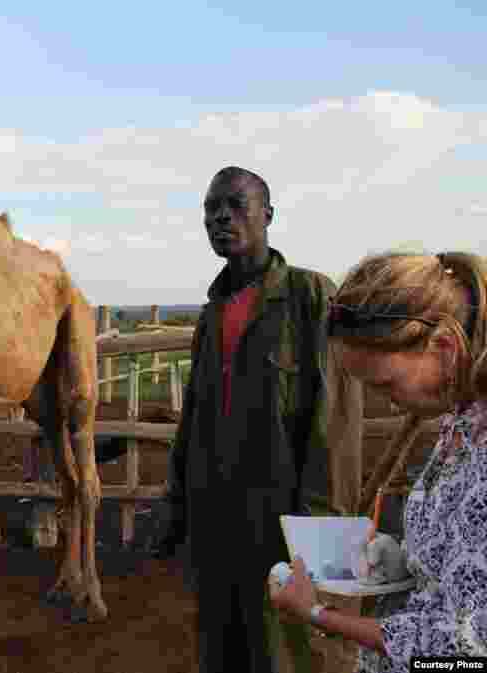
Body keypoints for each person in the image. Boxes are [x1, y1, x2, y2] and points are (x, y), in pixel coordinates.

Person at [150, 166, 365, 673]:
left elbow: (336, 426)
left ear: (267, 215)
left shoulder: (310, 297)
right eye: (210, 209)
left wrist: (319, 538)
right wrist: (176, 507)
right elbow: (195, 422)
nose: (220, 218)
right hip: (216, 525)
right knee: (224, 652)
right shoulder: (213, 314)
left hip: (286, 524)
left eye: (234, 205)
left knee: (294, 654)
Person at [270, 251, 487, 671]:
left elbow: (465, 656)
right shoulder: (461, 423)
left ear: (444, 348)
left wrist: (321, 615)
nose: (387, 401)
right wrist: (407, 561)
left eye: (387, 384)